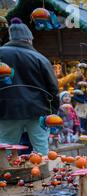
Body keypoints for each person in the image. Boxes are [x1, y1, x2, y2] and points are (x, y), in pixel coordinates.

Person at [0, 18, 59, 155]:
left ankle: (6, 175)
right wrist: (53, 111)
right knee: (41, 149)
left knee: (5, 148)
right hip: (38, 111)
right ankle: (42, 175)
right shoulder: (39, 58)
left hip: (6, 110)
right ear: (28, 39)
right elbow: (53, 88)